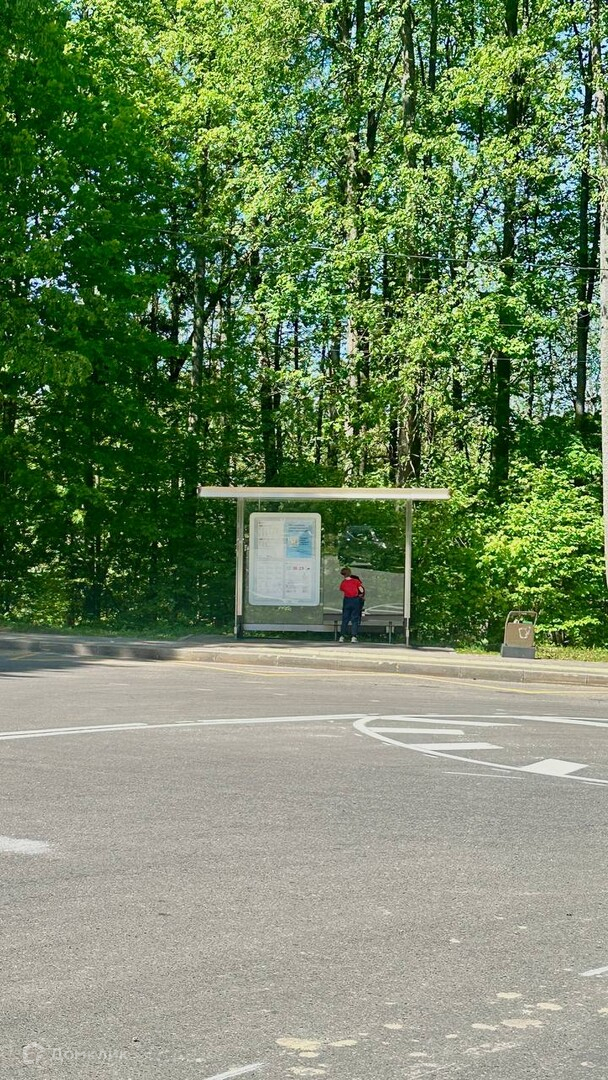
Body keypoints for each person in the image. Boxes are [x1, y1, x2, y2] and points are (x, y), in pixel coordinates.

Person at [339, 566, 365, 642]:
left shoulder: (343, 582)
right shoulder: (355, 581)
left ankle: (342, 636)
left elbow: (342, 589)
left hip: (347, 600)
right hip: (355, 600)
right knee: (355, 619)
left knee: (345, 619)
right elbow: (361, 590)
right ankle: (353, 636)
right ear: (350, 573)